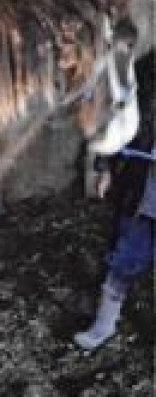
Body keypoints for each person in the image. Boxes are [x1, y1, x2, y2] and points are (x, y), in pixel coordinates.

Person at [74, 50, 155, 350]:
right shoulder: (144, 73)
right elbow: (116, 122)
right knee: (125, 256)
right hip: (141, 189)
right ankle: (104, 325)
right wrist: (105, 168)